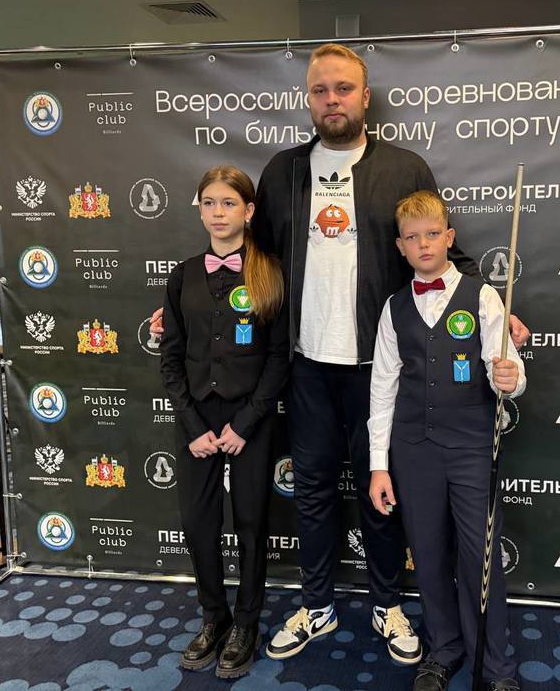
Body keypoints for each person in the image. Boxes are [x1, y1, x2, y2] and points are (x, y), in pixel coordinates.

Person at [151, 43, 531, 664]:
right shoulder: (283, 171)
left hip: (380, 369)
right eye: (321, 90)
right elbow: (252, 257)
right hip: (305, 366)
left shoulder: (405, 168)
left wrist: (491, 304)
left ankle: (387, 605)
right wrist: (191, 311)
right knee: (312, 491)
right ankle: (318, 604)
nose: (332, 100)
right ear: (308, 98)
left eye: (344, 89)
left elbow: (440, 251)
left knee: (383, 490)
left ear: (365, 97)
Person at [368, 191, 525, 691]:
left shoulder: (482, 296)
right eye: (412, 237)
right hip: (413, 450)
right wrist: (378, 465)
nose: (424, 244)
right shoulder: (393, 308)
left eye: (433, 234)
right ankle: (444, 648)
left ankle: (495, 665)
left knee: (479, 557)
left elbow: (508, 371)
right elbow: (382, 389)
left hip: (471, 447)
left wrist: (511, 377)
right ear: (400, 246)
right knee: (429, 553)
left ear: (449, 237)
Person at [159, 166, 289, 678]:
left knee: (252, 521)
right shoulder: (183, 275)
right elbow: (171, 358)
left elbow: (278, 358)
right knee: (198, 523)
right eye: (209, 202)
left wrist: (246, 423)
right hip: (196, 419)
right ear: (199, 210)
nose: (218, 212)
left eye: (229, 203)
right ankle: (214, 617)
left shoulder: (270, 272)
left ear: (248, 211)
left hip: (248, 419)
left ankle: (246, 623)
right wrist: (193, 427)